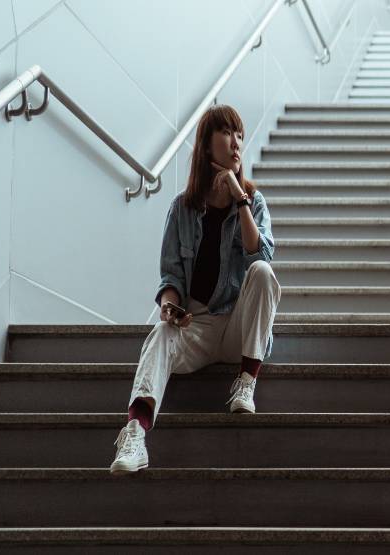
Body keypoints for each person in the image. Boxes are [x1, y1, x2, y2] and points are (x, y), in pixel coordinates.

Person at [110, 104, 281, 475]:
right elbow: (170, 278)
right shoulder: (182, 209)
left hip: (239, 327)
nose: (236, 143)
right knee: (160, 333)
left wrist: (240, 199)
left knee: (264, 272)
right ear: (206, 145)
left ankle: (246, 380)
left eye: (239, 135)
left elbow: (260, 252)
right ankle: (136, 433)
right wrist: (170, 307)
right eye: (226, 133)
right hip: (197, 326)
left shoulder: (255, 202)